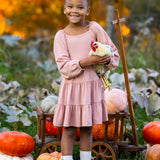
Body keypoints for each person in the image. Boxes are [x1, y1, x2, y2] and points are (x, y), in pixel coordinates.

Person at [53, 0, 120, 159]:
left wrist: (106, 60)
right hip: (72, 88)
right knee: (69, 129)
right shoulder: (61, 36)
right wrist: (88, 61)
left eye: (80, 7)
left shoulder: (94, 28)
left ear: (88, 10)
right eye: (70, 7)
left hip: (91, 86)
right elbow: (64, 67)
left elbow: (113, 53)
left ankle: (85, 157)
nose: (74, 11)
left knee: (87, 127)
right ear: (64, 10)